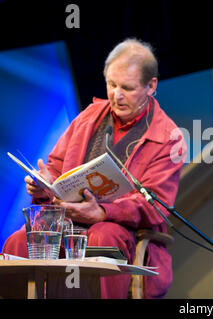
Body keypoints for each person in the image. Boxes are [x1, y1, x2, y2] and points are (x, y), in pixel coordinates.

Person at [2, 38, 186, 299]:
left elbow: (155, 206)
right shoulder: (89, 115)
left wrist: (101, 211)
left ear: (151, 86)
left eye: (127, 87)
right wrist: (43, 182)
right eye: (111, 84)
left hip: (119, 231)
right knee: (19, 241)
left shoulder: (168, 138)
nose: (116, 95)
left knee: (102, 236)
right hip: (67, 222)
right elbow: (54, 167)